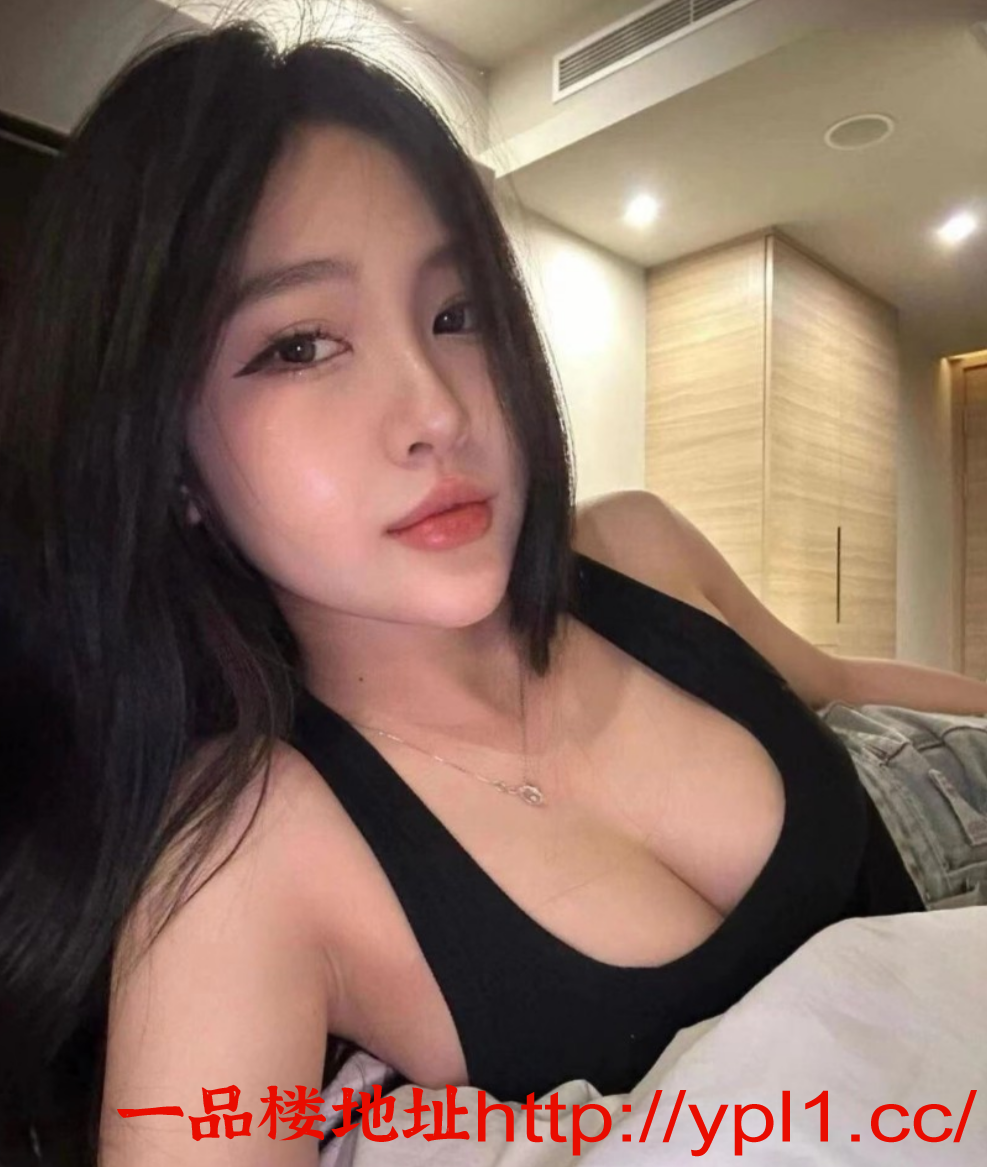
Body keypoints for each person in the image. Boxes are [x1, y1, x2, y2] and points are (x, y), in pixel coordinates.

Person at [0, 20, 985, 1167]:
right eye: (299, 346)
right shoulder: (242, 857)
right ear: (171, 466)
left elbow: (839, 679)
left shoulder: (637, 549)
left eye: (457, 314)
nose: (439, 410)